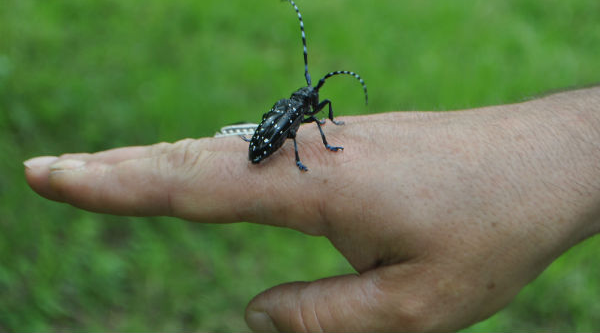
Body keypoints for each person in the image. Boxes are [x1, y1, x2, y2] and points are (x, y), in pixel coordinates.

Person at [24, 87, 600, 332]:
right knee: (292, 136)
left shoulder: (302, 111)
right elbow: (296, 128)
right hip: (265, 145)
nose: (313, 102)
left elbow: (310, 119)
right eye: (312, 100)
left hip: (269, 141)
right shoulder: (296, 120)